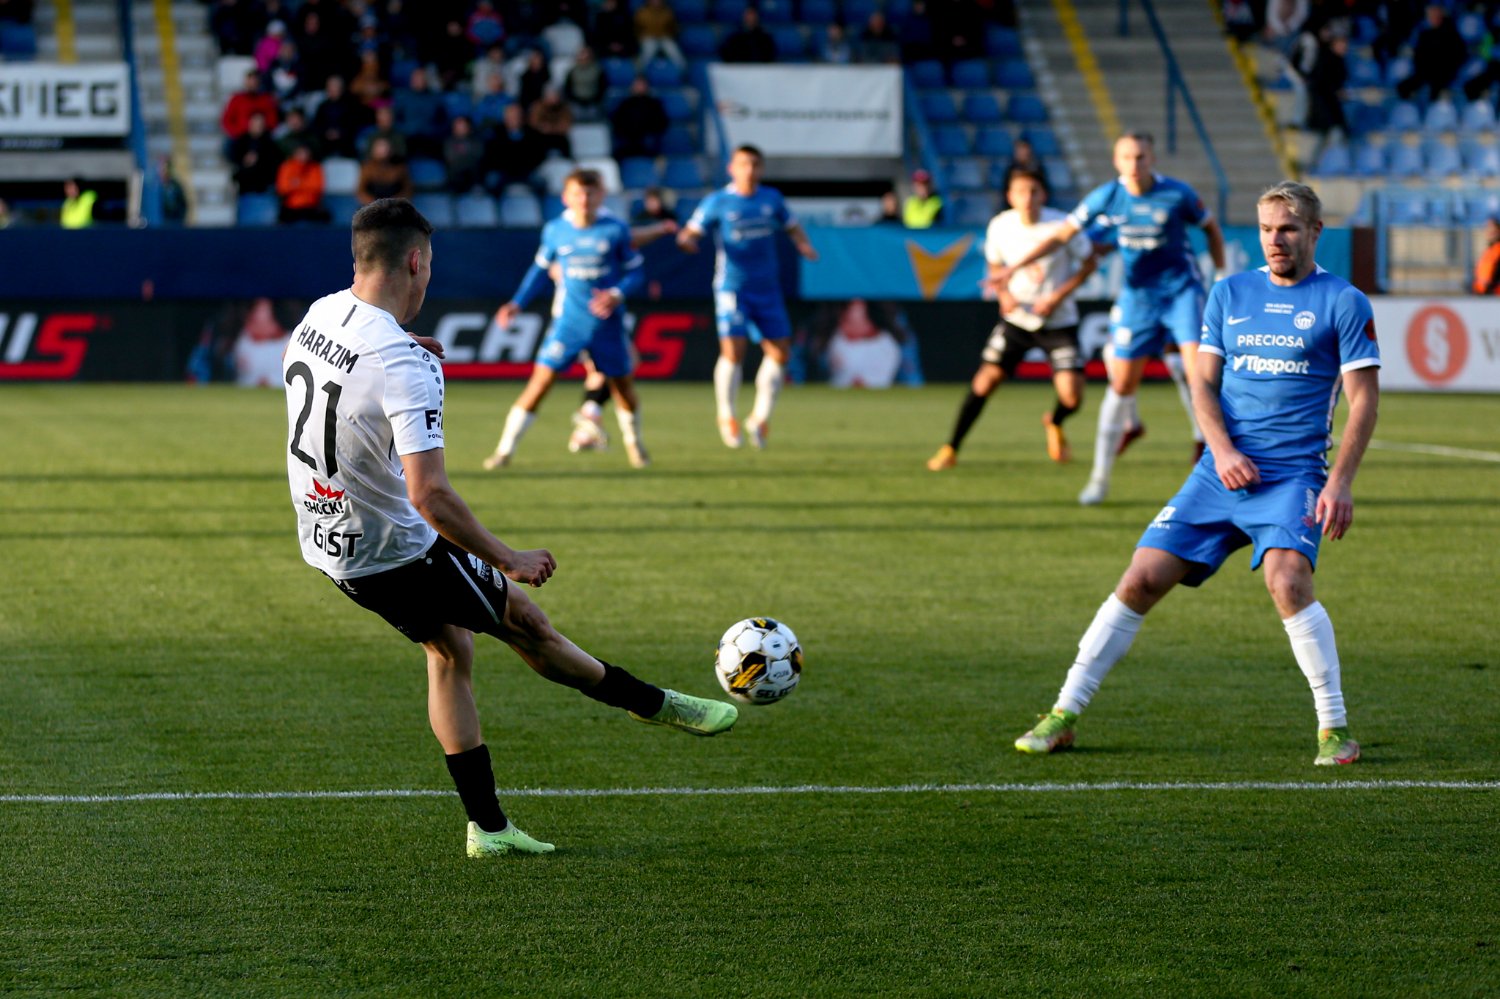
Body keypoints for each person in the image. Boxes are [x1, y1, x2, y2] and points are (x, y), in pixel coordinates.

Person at [284, 198, 737, 858]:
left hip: (329, 542)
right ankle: (653, 702)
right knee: (527, 624)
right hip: (395, 547)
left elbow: (343, 372)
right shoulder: (403, 364)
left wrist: (401, 350)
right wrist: (507, 556)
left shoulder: (320, 314)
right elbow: (430, 495)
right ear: (415, 262)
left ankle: (489, 829)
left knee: (449, 649)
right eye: (429, 265)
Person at [1012, 181, 1379, 768]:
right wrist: (1223, 451)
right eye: (1266, 229)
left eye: (1288, 229)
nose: (1275, 240)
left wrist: (1339, 482)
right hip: (1219, 472)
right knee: (1140, 578)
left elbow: (1363, 401)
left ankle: (1333, 729)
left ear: (1315, 231)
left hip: (1292, 477)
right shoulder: (1229, 293)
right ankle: (1063, 714)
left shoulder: (1344, 301)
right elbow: (1203, 384)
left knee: (1287, 583)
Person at [991, 131, 1226, 506]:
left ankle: (1219, 470)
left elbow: (1211, 228)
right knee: (1121, 383)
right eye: (1127, 158)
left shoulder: (1177, 193)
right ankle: (1099, 479)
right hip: (1138, 300)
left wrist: (1222, 278)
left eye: (1141, 157)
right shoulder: (1107, 197)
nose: (1134, 165)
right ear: (1116, 161)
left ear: (1152, 160)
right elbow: (1063, 236)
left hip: (1182, 294)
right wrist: (1013, 267)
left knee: (1200, 377)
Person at [929, 168, 1098, 471]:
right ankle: (950, 448)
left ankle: (1054, 421)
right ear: (1010, 196)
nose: (1027, 198)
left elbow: (1089, 264)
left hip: (1058, 321)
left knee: (1072, 397)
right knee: (985, 382)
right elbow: (995, 266)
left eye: (1034, 191)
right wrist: (1004, 295)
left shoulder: (1062, 225)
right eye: (1021, 192)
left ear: (1044, 195)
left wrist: (1057, 296)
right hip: (1018, 320)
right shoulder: (1001, 226)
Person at [483, 169, 653, 470]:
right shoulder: (556, 230)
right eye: (578, 193)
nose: (584, 199)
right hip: (568, 323)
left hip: (607, 324)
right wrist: (517, 303)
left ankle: (635, 446)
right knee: (539, 384)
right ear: (566, 197)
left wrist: (616, 293)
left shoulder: (615, 230)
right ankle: (504, 452)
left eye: (590, 193)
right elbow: (539, 271)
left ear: (601, 195)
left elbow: (636, 273)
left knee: (623, 387)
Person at [677, 144, 818, 450]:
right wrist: (687, 241)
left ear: (762, 168)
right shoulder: (718, 201)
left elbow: (792, 226)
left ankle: (759, 418)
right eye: (744, 164)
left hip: (767, 288)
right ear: (732, 168)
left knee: (780, 353)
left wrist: (803, 245)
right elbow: (692, 231)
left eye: (755, 164)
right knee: (734, 350)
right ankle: (726, 415)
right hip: (733, 287)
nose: (750, 170)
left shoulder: (771, 199)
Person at [1395, 4, 1466, 103]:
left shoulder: (1452, 33)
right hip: (1425, 71)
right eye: (1430, 16)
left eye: (1435, 15)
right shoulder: (1424, 34)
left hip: (1444, 72)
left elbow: (1459, 54)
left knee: (1437, 89)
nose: (1432, 18)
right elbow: (1419, 56)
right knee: (1404, 87)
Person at [275, 143, 329, 223]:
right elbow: (283, 188)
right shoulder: (287, 167)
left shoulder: (315, 167)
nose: (303, 156)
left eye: (305, 153)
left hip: (311, 206)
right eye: (300, 153)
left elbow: (317, 188)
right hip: (291, 207)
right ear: (294, 154)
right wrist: (306, 185)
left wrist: (297, 184)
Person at [357, 136, 413, 204]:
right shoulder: (367, 167)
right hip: (372, 205)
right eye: (380, 147)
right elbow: (361, 190)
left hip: (394, 204)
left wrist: (395, 202)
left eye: (386, 147)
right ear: (374, 150)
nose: (384, 150)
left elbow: (407, 189)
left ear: (391, 149)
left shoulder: (399, 167)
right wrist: (373, 203)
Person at [1472, 215, 1500, 294]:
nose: (1490, 231)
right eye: (1487, 228)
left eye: (1493, 228)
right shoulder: (1489, 251)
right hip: (1484, 293)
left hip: (1495, 295)